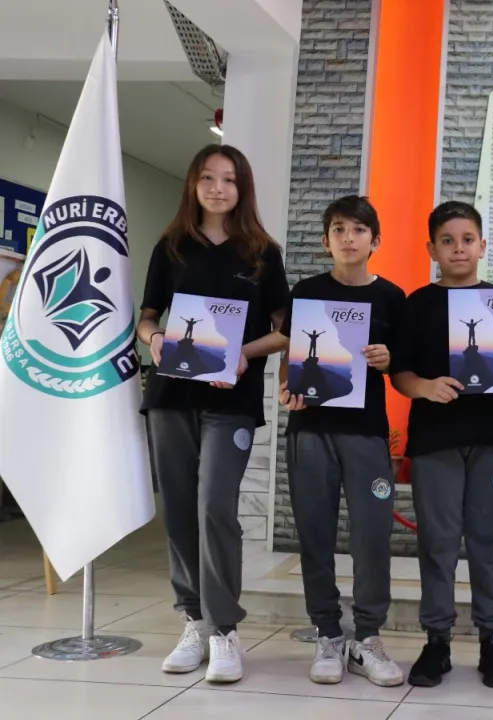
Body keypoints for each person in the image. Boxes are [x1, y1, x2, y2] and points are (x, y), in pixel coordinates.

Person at [137, 144, 290, 684]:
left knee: (215, 507)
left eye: (228, 179)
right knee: (180, 509)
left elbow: (286, 330)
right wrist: (155, 339)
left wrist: (243, 353)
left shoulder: (262, 253)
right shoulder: (171, 247)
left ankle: (224, 629)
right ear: (194, 184)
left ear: (242, 188)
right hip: (172, 398)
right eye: (208, 177)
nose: (218, 188)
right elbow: (146, 316)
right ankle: (194, 621)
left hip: (231, 400)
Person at [389, 200, 493, 689]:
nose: (458, 248)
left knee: (488, 541)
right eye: (448, 241)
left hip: (492, 436)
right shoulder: (417, 303)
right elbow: (400, 371)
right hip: (436, 438)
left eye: (467, 240)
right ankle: (437, 640)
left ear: (482, 246)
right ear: (431, 249)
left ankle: (492, 639)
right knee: (437, 542)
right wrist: (424, 387)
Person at [271, 195, 406, 687]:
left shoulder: (391, 297)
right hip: (311, 430)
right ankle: (327, 633)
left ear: (376, 240)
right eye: (339, 230)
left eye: (359, 230)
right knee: (315, 534)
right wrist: (286, 386)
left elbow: (402, 366)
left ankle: (367, 636)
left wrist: (388, 360)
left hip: (366, 432)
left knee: (372, 535)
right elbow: (290, 353)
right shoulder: (306, 292)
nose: (349, 238)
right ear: (326, 241)